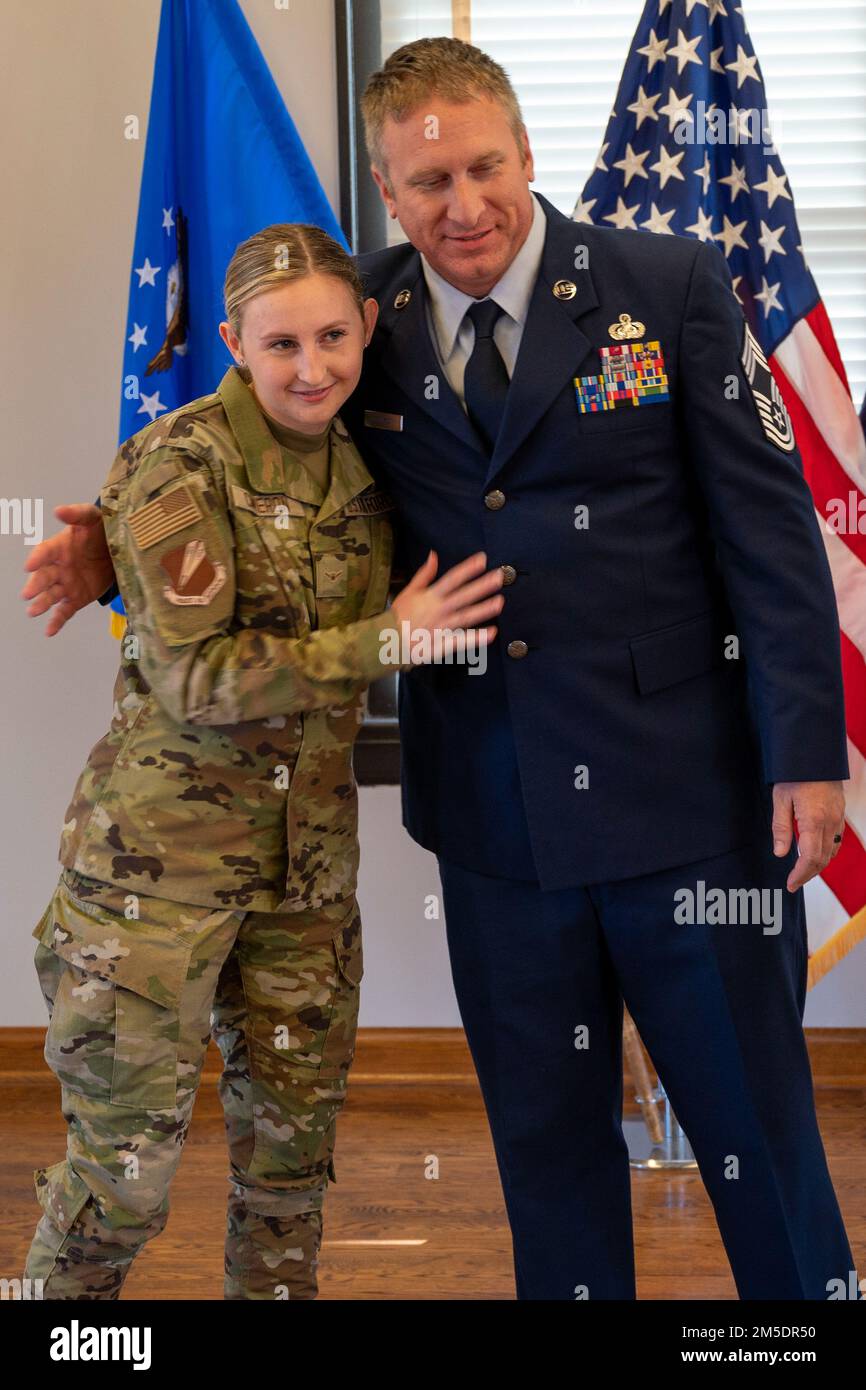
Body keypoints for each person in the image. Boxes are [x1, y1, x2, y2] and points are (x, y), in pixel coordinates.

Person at [24, 38, 860, 1301]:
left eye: (482, 167)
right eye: (426, 183)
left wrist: (803, 758)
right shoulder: (354, 321)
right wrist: (106, 541)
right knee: (544, 1142)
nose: (460, 205)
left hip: (685, 806)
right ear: (385, 187)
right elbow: (229, 443)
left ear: (523, 154)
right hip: (494, 820)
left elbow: (771, 535)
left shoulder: (667, 285)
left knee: (756, 1136)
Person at [20, 219, 504, 1300]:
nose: (312, 366)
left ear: (366, 327)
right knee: (124, 1185)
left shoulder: (370, 457)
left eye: (333, 337)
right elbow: (197, 681)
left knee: (291, 1173)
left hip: (305, 882)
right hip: (157, 886)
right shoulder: (178, 462)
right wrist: (391, 639)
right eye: (280, 345)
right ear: (234, 340)